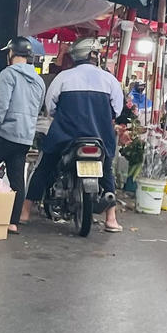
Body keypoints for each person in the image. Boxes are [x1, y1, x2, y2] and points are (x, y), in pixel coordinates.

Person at [22, 38, 124, 232]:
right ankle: (111, 218)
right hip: (100, 136)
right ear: (94, 55)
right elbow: (117, 110)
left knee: (44, 167)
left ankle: (25, 211)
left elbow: (50, 107)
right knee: (107, 170)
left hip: (65, 136)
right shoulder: (109, 79)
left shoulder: (63, 77)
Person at [0, 37, 45, 233]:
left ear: (12, 53)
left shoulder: (8, 74)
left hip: (4, 133)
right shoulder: (39, 81)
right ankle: (12, 222)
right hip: (24, 136)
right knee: (17, 179)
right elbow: (39, 108)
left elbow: (1, 105)